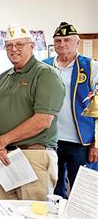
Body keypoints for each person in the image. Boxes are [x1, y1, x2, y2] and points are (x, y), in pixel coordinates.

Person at [0, 23, 65, 201]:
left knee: (34, 212)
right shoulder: (3, 76)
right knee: (6, 211)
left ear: (32, 46)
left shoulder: (45, 74)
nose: (13, 49)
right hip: (5, 156)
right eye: (9, 46)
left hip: (33, 156)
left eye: (19, 44)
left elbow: (43, 120)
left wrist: (2, 141)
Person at [43, 22, 98, 198]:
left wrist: (97, 143)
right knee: (52, 190)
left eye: (67, 39)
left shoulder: (91, 66)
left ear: (77, 42)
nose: (62, 44)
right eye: (58, 40)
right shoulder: (45, 66)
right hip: (51, 139)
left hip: (81, 140)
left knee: (81, 190)